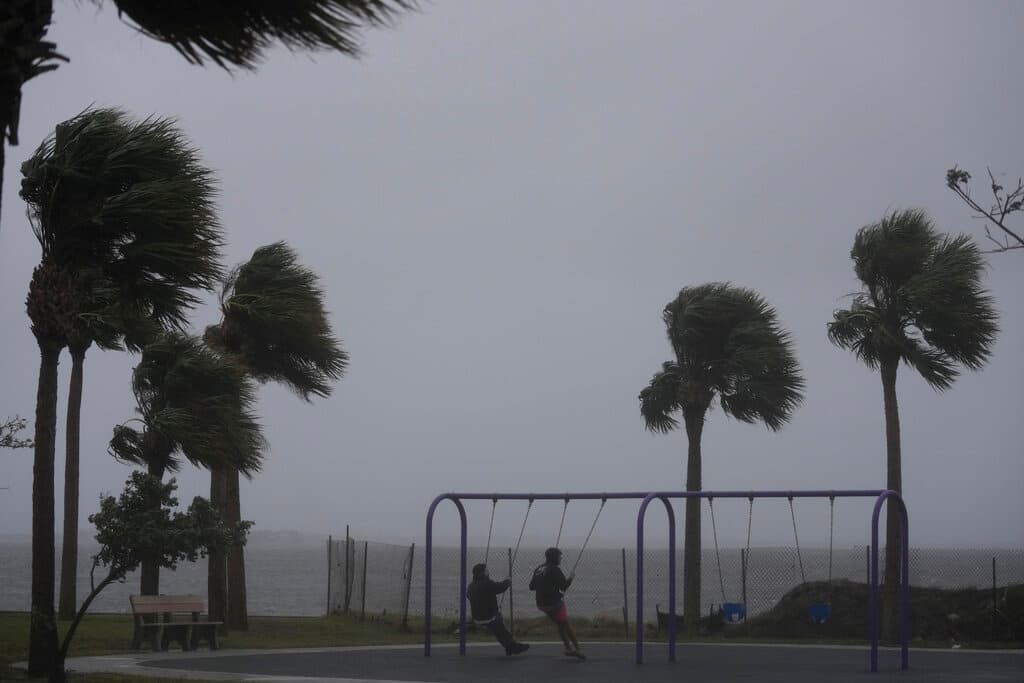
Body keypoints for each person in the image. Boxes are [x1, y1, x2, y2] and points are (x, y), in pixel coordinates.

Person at [529, 547, 584, 659]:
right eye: (559, 557)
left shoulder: (539, 568)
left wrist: (546, 584)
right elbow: (564, 586)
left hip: (541, 604)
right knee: (566, 624)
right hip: (554, 604)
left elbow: (531, 587)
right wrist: (571, 578)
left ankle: (568, 648)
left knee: (561, 624)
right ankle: (578, 649)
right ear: (554, 557)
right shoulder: (555, 569)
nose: (560, 559)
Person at [467, 563, 530, 655]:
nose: (488, 572)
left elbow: (468, 596)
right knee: (499, 623)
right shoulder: (487, 583)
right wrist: (508, 581)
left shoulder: (470, 586)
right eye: (486, 570)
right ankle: (513, 647)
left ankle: (509, 646)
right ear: (483, 572)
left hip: (476, 618)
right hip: (488, 618)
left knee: (499, 626)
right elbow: (501, 587)